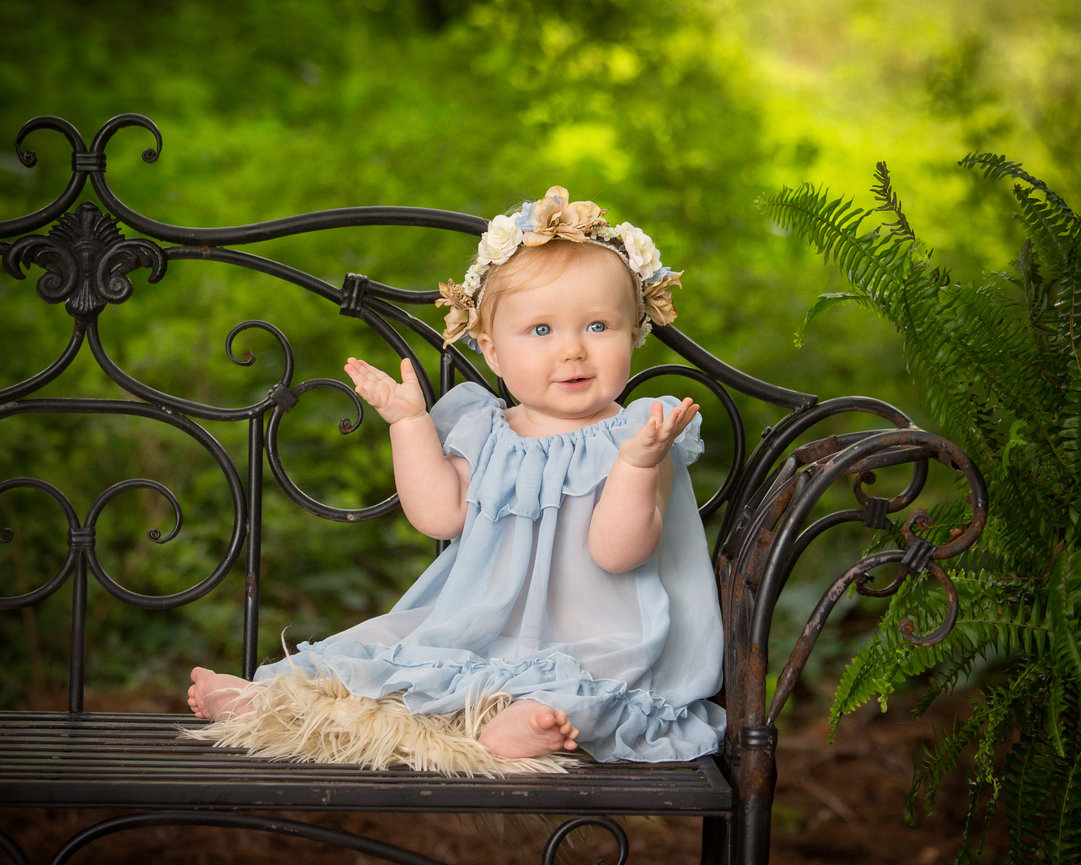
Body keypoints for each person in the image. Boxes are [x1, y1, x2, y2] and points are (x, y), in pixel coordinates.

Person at [187, 186, 726, 774]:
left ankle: (526, 722)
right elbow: (440, 515)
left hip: (598, 634)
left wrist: (638, 464)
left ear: (634, 333)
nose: (572, 351)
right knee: (384, 651)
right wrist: (410, 422)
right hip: (477, 621)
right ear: (492, 351)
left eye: (598, 326)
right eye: (541, 331)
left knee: (591, 690)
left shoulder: (638, 432)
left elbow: (617, 553)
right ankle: (269, 701)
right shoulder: (485, 429)